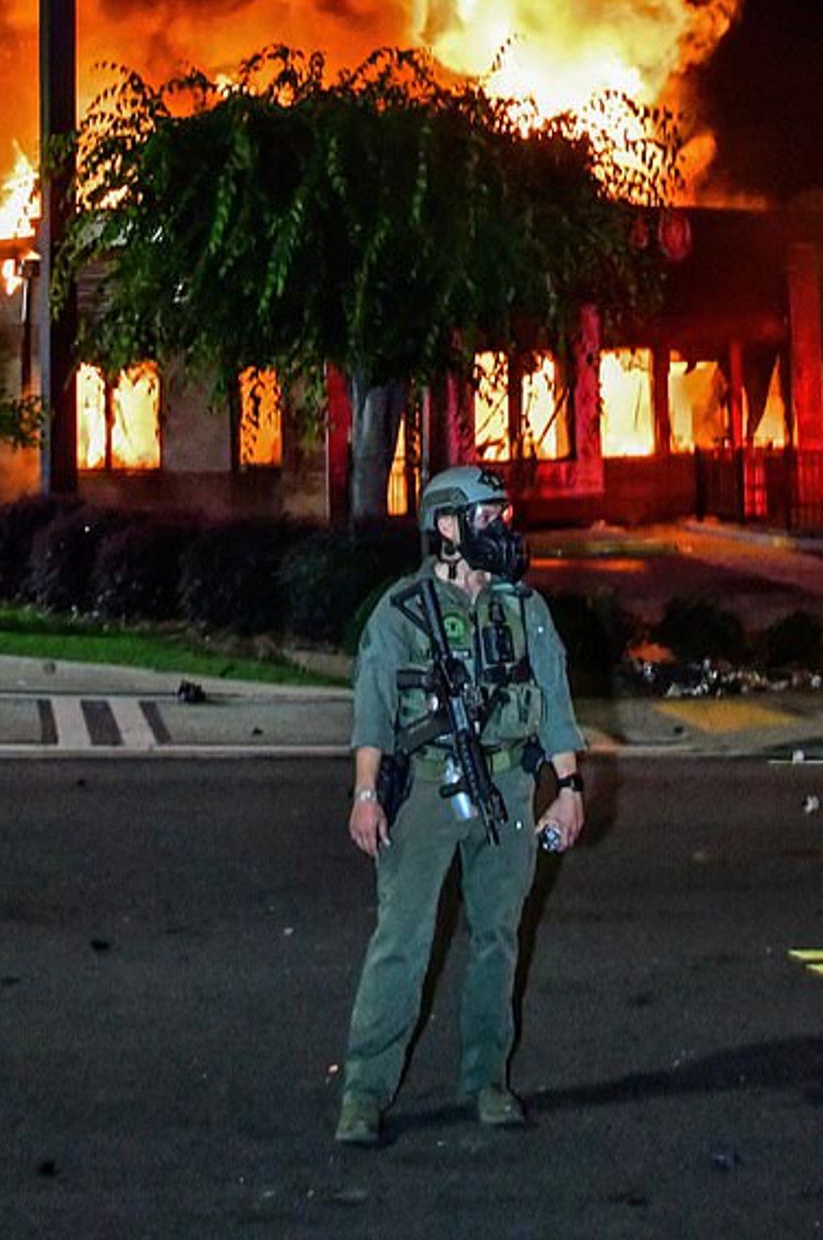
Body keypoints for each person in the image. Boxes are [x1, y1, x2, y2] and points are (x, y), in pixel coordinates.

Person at [335, 464, 585, 1146]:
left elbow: (555, 709)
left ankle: (485, 1079)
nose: (498, 529)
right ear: (445, 526)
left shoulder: (523, 608)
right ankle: (363, 1091)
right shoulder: (401, 611)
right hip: (421, 790)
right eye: (483, 517)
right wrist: (366, 796)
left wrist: (567, 790)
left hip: (506, 790)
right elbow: (374, 716)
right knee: (401, 944)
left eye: (499, 516)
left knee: (496, 942)